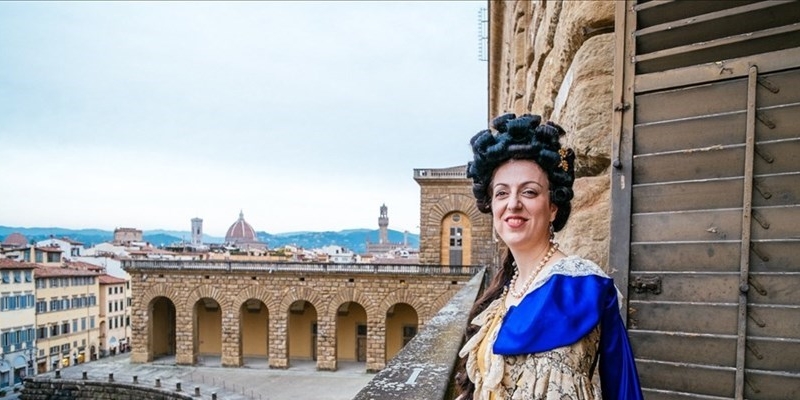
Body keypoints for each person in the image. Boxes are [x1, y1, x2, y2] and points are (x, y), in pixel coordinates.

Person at [455, 113, 643, 400]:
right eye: (502, 193)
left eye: (529, 192)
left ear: (553, 207)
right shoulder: (504, 292)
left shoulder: (583, 288)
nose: (513, 204)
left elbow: (622, 388)